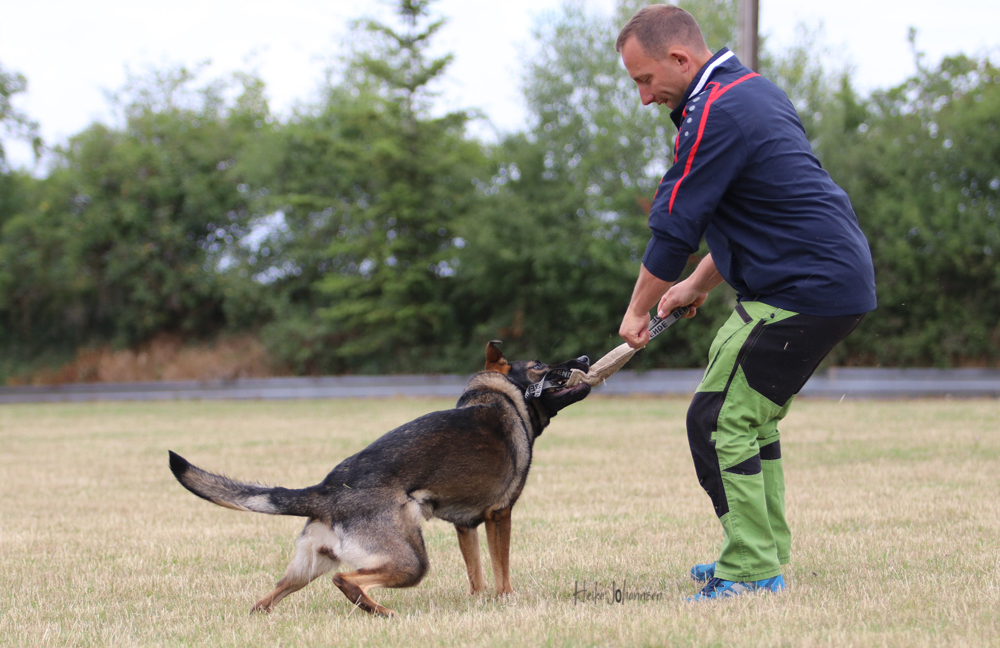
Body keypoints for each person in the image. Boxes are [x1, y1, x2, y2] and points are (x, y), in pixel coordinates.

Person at [614, 5, 877, 601]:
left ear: (680, 58)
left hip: (802, 290)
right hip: (829, 282)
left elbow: (675, 227)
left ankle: (753, 569)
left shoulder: (715, 110)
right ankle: (762, 551)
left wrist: (636, 310)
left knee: (716, 420)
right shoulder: (751, 92)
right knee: (747, 419)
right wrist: (698, 284)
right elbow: (758, 210)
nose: (644, 96)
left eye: (645, 79)